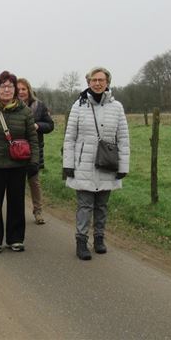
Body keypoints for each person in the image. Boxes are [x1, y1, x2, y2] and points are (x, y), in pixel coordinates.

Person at [62, 67, 130, 260]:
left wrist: (123, 166)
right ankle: (81, 241)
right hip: (83, 164)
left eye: (101, 80)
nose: (98, 83)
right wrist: (68, 164)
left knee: (102, 205)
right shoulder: (79, 105)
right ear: (88, 82)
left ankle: (99, 238)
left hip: (107, 163)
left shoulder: (117, 107)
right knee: (85, 205)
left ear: (107, 82)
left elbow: (123, 139)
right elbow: (70, 137)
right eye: (94, 80)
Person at [0, 71, 39, 253]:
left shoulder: (25, 112)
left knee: (17, 203)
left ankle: (16, 238)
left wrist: (34, 162)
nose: (6, 89)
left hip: (18, 166)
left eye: (10, 86)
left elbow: (33, 139)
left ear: (15, 89)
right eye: (2, 86)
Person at [17, 78, 54, 225]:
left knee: (34, 182)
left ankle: (38, 211)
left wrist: (38, 126)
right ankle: (17, 212)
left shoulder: (39, 106)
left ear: (29, 90)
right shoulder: (10, 106)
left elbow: (50, 125)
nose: (21, 92)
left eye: (24, 89)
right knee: (17, 183)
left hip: (34, 150)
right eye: (18, 89)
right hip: (15, 151)